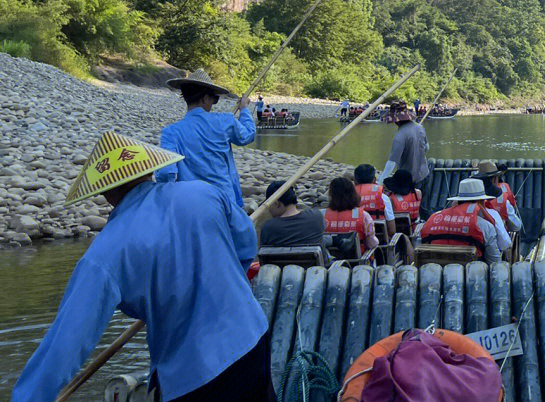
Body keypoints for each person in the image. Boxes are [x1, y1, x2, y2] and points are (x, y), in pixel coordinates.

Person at [12, 131, 270, 402]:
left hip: (196, 375)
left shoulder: (104, 253)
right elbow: (245, 243)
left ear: (104, 192)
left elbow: (63, 346)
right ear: (148, 169)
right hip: (253, 338)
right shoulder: (205, 192)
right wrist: (225, 280)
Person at [157, 69, 255, 209]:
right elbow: (248, 135)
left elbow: (166, 173)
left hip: (190, 205)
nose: (213, 103)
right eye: (214, 99)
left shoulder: (170, 132)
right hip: (224, 202)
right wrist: (244, 109)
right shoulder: (225, 121)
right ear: (205, 99)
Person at [419, 179, 508, 265]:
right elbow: (494, 264)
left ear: (458, 200)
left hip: (431, 274)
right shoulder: (486, 227)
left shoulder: (431, 220)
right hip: (472, 277)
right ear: (480, 202)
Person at [258, 180, 326, 249]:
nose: (269, 209)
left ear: (276, 204)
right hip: (312, 259)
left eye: (269, 205)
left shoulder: (268, 228)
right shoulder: (316, 217)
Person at [323, 176, 378, 258]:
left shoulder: (322, 216)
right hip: (359, 261)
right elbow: (371, 244)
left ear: (331, 195)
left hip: (331, 263)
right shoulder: (364, 216)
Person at [378, 100, 430, 186]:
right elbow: (427, 148)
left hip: (409, 180)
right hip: (424, 174)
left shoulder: (400, 136)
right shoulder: (419, 127)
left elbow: (392, 162)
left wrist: (380, 182)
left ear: (396, 120)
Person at [474, 161, 522, 233]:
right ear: (494, 179)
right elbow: (516, 226)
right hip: (495, 241)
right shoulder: (503, 200)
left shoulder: (462, 203)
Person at [354, 164, 396, 237]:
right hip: (379, 242)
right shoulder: (383, 197)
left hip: (353, 242)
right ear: (374, 180)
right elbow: (392, 230)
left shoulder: (348, 197)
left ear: (355, 181)